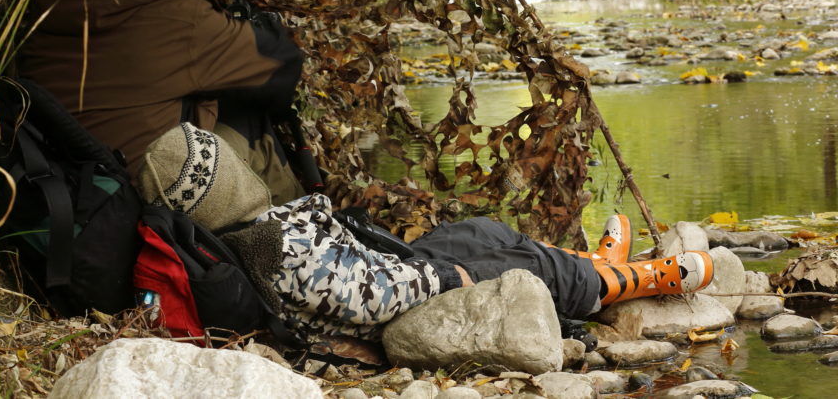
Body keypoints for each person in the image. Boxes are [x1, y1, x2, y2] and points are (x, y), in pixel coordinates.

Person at [142, 123, 716, 341]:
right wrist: (448, 276)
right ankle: (634, 280)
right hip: (402, 295)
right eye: (221, 163)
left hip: (391, 266)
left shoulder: (251, 230)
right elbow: (363, 297)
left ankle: (592, 265)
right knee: (515, 268)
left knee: (479, 229)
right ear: (215, 187)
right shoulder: (277, 251)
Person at [18, 0, 307, 203]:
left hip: (56, 186)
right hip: (139, 200)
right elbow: (282, 67)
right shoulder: (182, 15)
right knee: (252, 127)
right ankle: (309, 232)